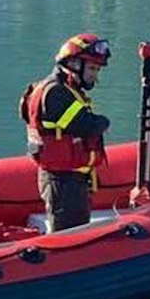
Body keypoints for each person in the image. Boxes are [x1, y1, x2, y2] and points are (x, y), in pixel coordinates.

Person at [19, 33, 113, 233]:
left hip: (68, 179)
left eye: (97, 69)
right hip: (62, 182)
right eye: (91, 68)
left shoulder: (61, 89)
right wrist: (103, 122)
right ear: (72, 63)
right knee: (70, 235)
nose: (95, 76)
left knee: (75, 229)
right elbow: (85, 125)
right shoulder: (55, 93)